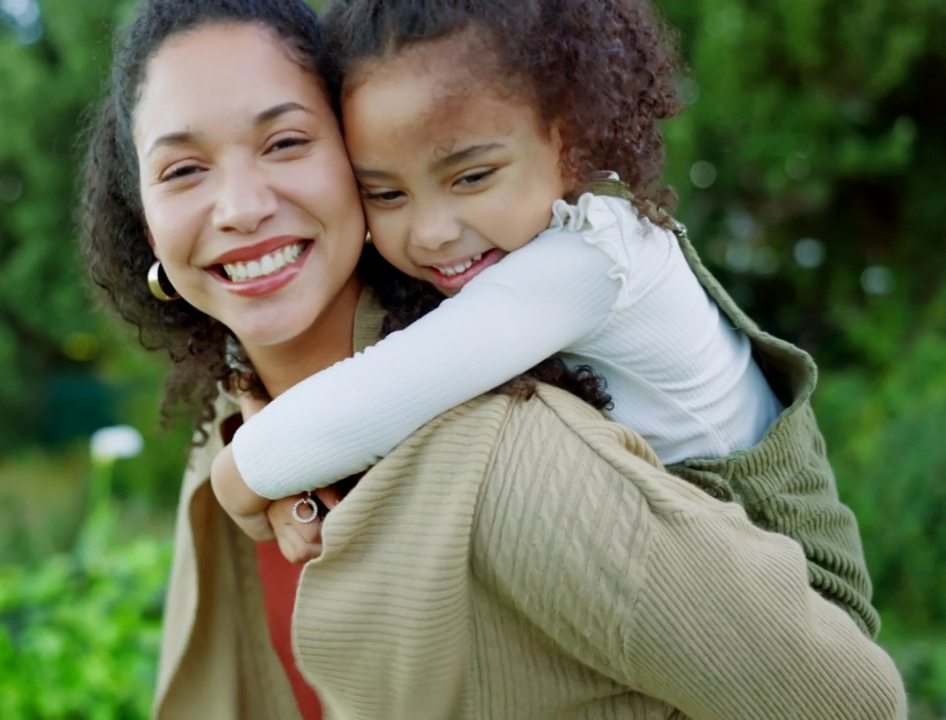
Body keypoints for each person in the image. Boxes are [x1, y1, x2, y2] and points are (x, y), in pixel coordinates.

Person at [79, 0, 906, 718]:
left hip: (791, 555)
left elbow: (850, 699)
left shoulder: (519, 433)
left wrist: (246, 474)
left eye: (286, 142)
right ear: (142, 214)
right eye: (183, 168)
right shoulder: (228, 415)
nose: (242, 206)